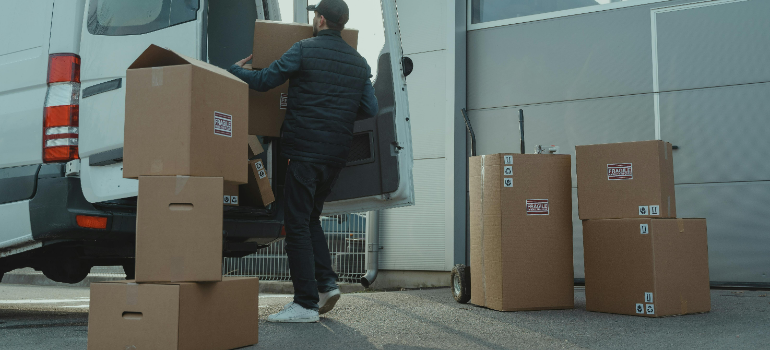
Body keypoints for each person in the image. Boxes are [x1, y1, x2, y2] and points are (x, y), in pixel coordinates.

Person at [227, 0, 378, 323]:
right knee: (310, 218)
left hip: (303, 151)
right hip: (335, 155)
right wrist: (338, 112)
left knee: (296, 224)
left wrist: (236, 71)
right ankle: (326, 284)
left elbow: (266, 80)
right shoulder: (359, 62)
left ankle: (305, 303)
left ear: (321, 19)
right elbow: (371, 108)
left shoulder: (304, 49)